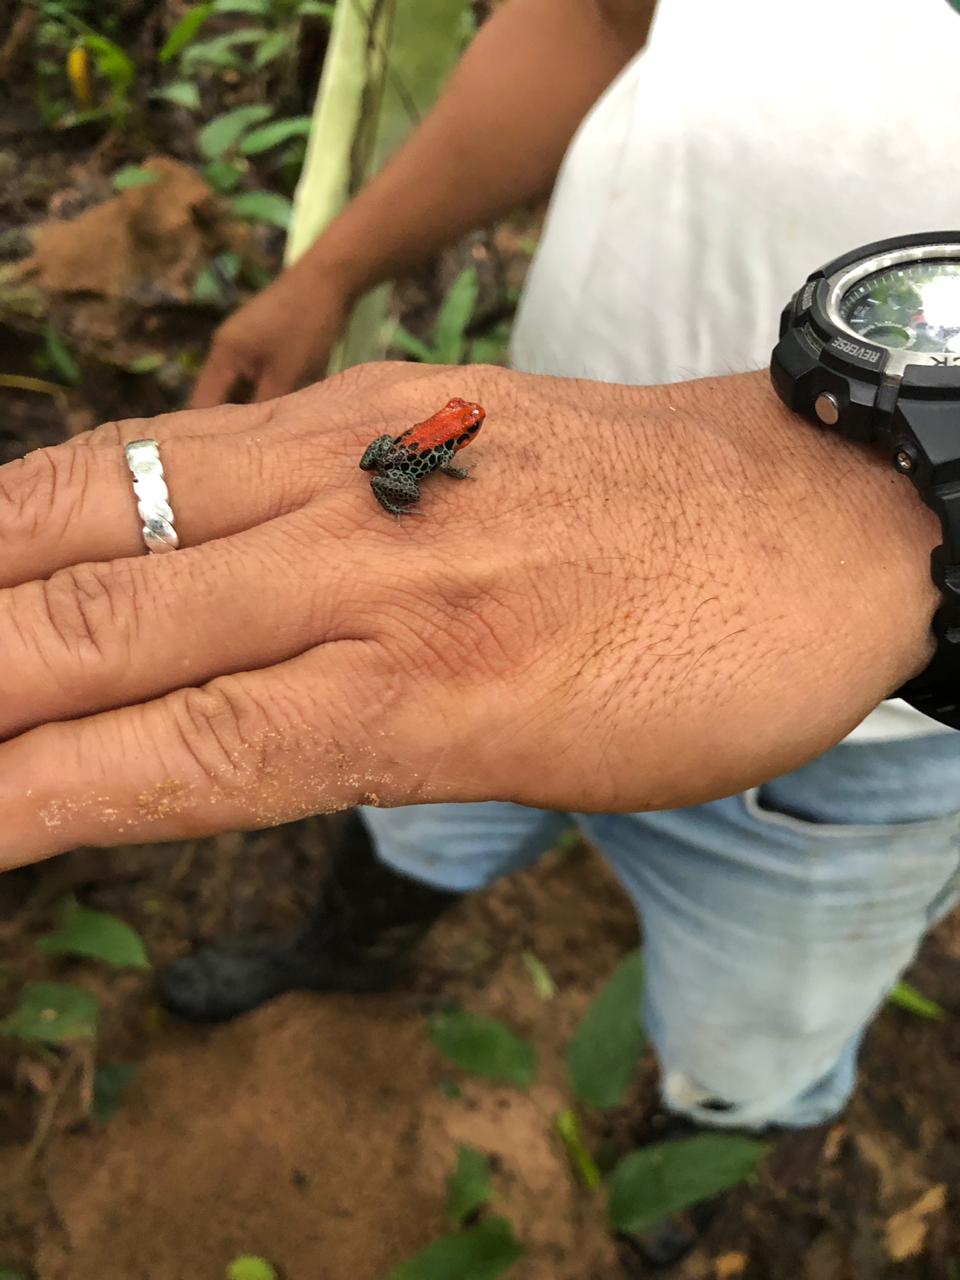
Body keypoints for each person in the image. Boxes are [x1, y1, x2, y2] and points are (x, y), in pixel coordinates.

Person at [0, 0, 957, 1267]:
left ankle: (705, 1139)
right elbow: (601, 18)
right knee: (401, 816)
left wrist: (904, 508)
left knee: (760, 1031)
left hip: (870, 740)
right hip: (458, 628)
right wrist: (332, 269)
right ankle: (349, 948)